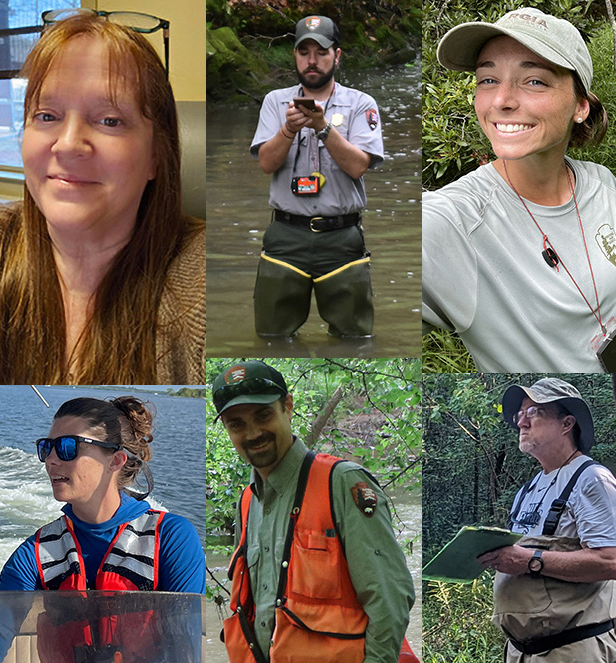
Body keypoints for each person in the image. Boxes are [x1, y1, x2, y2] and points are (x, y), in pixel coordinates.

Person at [0, 11, 205, 384]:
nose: (69, 144)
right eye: (46, 115)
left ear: (157, 155)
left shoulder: (201, 280)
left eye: (110, 120)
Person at [423, 8, 616, 373]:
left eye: (534, 81)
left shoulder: (603, 184)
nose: (501, 100)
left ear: (580, 107)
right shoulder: (454, 223)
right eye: (487, 80)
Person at [212, 360, 418, 662]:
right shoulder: (246, 502)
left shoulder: (343, 483)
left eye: (263, 415)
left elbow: (389, 601)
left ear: (288, 407)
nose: (253, 433)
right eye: (236, 424)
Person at [0, 396, 205, 661]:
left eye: (67, 447)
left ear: (116, 461)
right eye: (47, 448)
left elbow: (185, 650)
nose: (51, 460)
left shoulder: (172, 539)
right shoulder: (34, 554)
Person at [478, 378, 616, 662]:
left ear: (566, 424)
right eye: (519, 415)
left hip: (573, 650)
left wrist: (529, 561)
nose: (522, 422)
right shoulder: (527, 490)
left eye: (533, 412)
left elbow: (611, 562)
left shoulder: (592, 480)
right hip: (520, 652)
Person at [250, 15, 383, 338]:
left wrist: (323, 127)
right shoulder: (275, 102)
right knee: (271, 337)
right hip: (285, 235)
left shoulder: (360, 104)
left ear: (336, 55)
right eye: (303, 51)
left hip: (342, 237)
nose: (312, 61)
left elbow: (358, 166)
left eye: (321, 52)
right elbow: (266, 163)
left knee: (356, 338)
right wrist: (288, 129)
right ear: (294, 55)